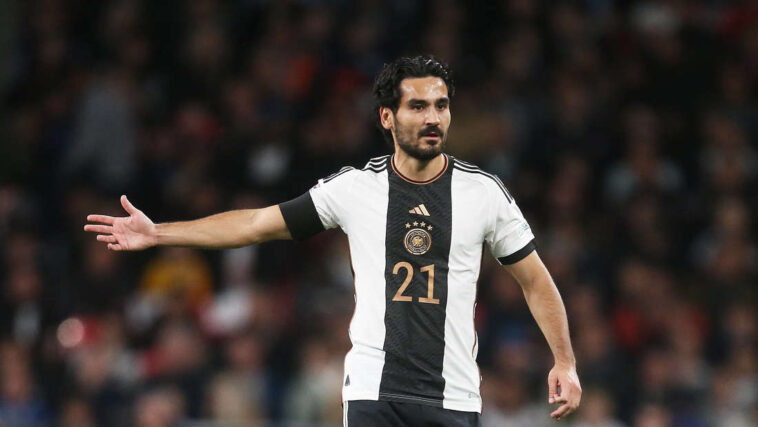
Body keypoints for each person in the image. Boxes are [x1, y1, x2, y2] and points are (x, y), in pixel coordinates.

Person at [85, 55, 581, 426]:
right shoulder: (355, 189)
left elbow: (535, 281)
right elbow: (255, 224)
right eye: (417, 106)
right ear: (387, 117)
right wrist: (160, 233)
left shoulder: (484, 193)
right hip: (372, 393)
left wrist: (564, 360)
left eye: (441, 105)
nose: (433, 117)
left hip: (454, 396)